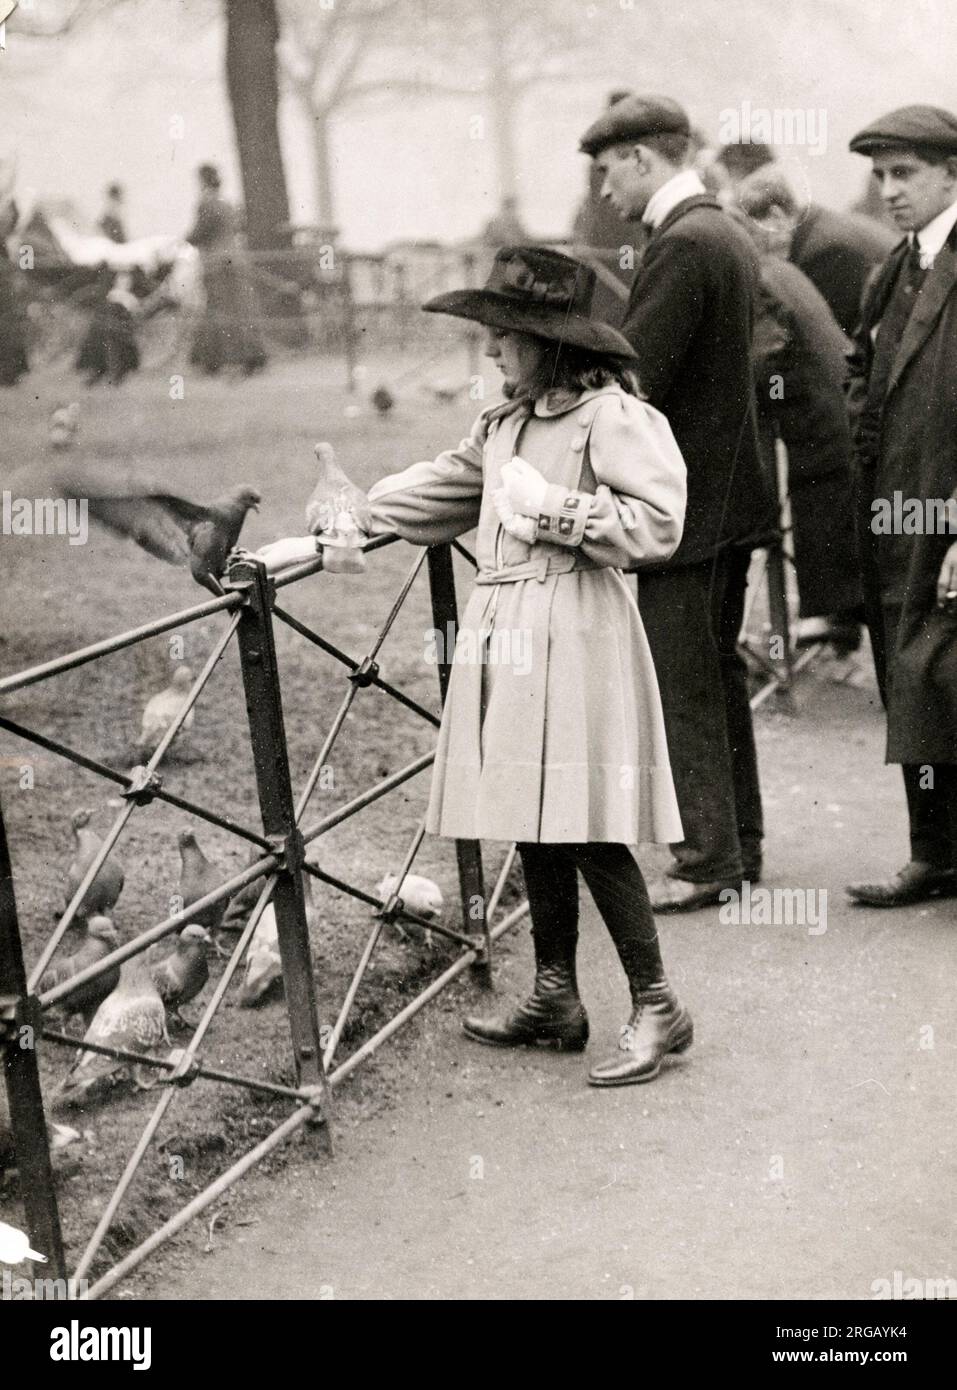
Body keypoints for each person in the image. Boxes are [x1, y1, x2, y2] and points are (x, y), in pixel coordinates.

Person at [364, 245, 692, 1087]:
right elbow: (445, 490)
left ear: (550, 343)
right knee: (531, 810)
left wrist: (556, 510)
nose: (488, 351)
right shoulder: (502, 424)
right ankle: (554, 994)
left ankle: (657, 1004)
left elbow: (658, 525)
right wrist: (350, 508)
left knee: (582, 820)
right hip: (507, 629)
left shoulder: (610, 418)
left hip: (577, 627)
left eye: (503, 334)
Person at [580, 94, 774, 912]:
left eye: (605, 170)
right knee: (718, 674)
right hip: (733, 497)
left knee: (683, 679)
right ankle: (740, 844)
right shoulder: (722, 229)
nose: (601, 190)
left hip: (690, 507)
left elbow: (637, 375)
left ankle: (706, 860)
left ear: (639, 158)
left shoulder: (681, 243)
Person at [844, 104, 957, 908]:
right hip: (891, 513)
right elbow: (860, 365)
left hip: (947, 514)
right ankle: (934, 851)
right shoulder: (893, 267)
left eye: (904, 173)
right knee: (904, 678)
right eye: (879, 175)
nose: (887, 190)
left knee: (946, 677)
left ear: (951, 173)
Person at [734, 209, 863, 644]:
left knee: (821, 501)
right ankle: (838, 617)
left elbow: (767, 351)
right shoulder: (780, 269)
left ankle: (832, 617)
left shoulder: (759, 280)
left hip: (821, 411)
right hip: (838, 400)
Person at [736, 164, 896, 336]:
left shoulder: (824, 252)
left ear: (776, 217)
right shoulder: (819, 229)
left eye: (751, 234)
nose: (752, 248)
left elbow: (830, 339)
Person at [186, 163, 266, 376]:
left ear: (203, 182)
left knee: (220, 310)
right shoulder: (227, 204)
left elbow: (199, 233)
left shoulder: (207, 204)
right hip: (235, 260)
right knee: (237, 309)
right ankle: (244, 356)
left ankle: (222, 360)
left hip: (217, 264)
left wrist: (182, 241)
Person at [0, 198, 29, 386]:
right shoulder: (2, 239)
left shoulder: (21, 240)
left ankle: (11, 374)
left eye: (11, 216)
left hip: (14, 290)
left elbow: (27, 267)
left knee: (12, 332)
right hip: (4, 289)